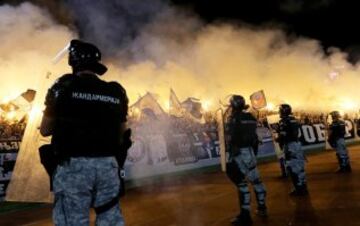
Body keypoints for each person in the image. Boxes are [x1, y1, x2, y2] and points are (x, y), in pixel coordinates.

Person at [40, 39, 129, 226]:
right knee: (110, 219)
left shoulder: (64, 86)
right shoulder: (116, 90)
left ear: (73, 61)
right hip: (109, 167)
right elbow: (123, 134)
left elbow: (45, 130)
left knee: (72, 221)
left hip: (75, 167)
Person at [225, 95, 267, 226]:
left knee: (241, 184)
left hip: (239, 154)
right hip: (249, 152)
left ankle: (245, 215)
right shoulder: (250, 117)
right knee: (256, 181)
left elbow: (230, 138)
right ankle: (262, 208)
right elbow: (255, 137)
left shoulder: (233, 119)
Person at [276, 104, 308, 196]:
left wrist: (278, 138)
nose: (279, 112)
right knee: (300, 167)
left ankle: (298, 189)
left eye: (280, 110)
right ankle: (303, 187)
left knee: (292, 168)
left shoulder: (284, 121)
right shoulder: (294, 119)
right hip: (297, 144)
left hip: (290, 145)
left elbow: (284, 135)